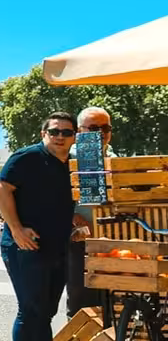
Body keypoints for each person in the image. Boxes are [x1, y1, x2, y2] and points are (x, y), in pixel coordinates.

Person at [0, 110, 81, 341]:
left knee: (45, 312)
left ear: (74, 137)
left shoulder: (73, 165)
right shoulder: (27, 157)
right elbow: (1, 189)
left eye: (66, 132)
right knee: (30, 310)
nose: (59, 137)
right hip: (24, 247)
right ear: (44, 134)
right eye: (54, 131)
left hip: (56, 247)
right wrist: (17, 230)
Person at [66, 105, 114, 319]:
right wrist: (69, 215)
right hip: (79, 238)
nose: (101, 133)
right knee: (81, 296)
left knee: (110, 295)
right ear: (80, 131)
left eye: (106, 127)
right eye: (94, 127)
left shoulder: (114, 156)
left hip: (111, 237)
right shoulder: (67, 157)